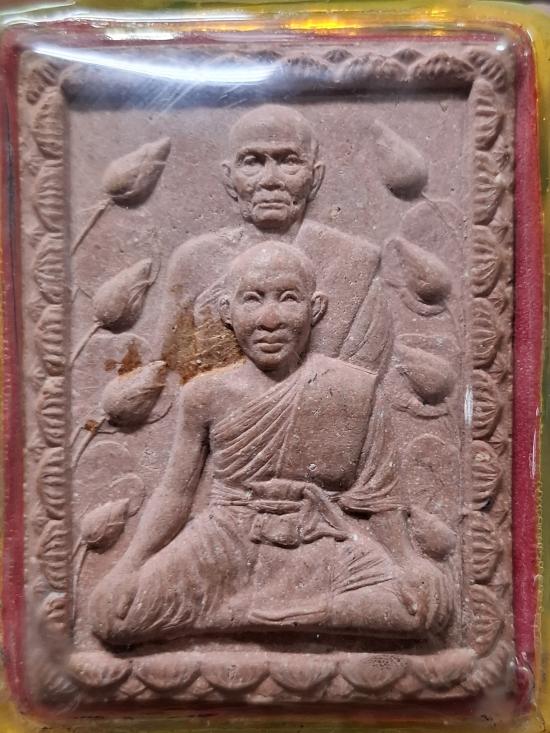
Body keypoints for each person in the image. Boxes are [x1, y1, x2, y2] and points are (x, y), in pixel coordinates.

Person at [90, 243, 451, 647]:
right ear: (227, 311)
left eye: (288, 298)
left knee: (424, 610)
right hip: (224, 540)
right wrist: (129, 566)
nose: (270, 320)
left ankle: (245, 615)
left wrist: (407, 561)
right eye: (252, 299)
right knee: (113, 617)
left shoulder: (355, 390)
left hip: (322, 539)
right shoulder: (205, 395)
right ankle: (286, 617)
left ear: (315, 309)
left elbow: (379, 500)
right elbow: (177, 491)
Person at [159, 104, 390, 381]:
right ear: (229, 177)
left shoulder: (353, 263)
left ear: (315, 177)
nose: (270, 180)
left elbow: (368, 383)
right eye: (252, 162)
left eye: (289, 161)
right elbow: (167, 369)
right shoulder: (193, 261)